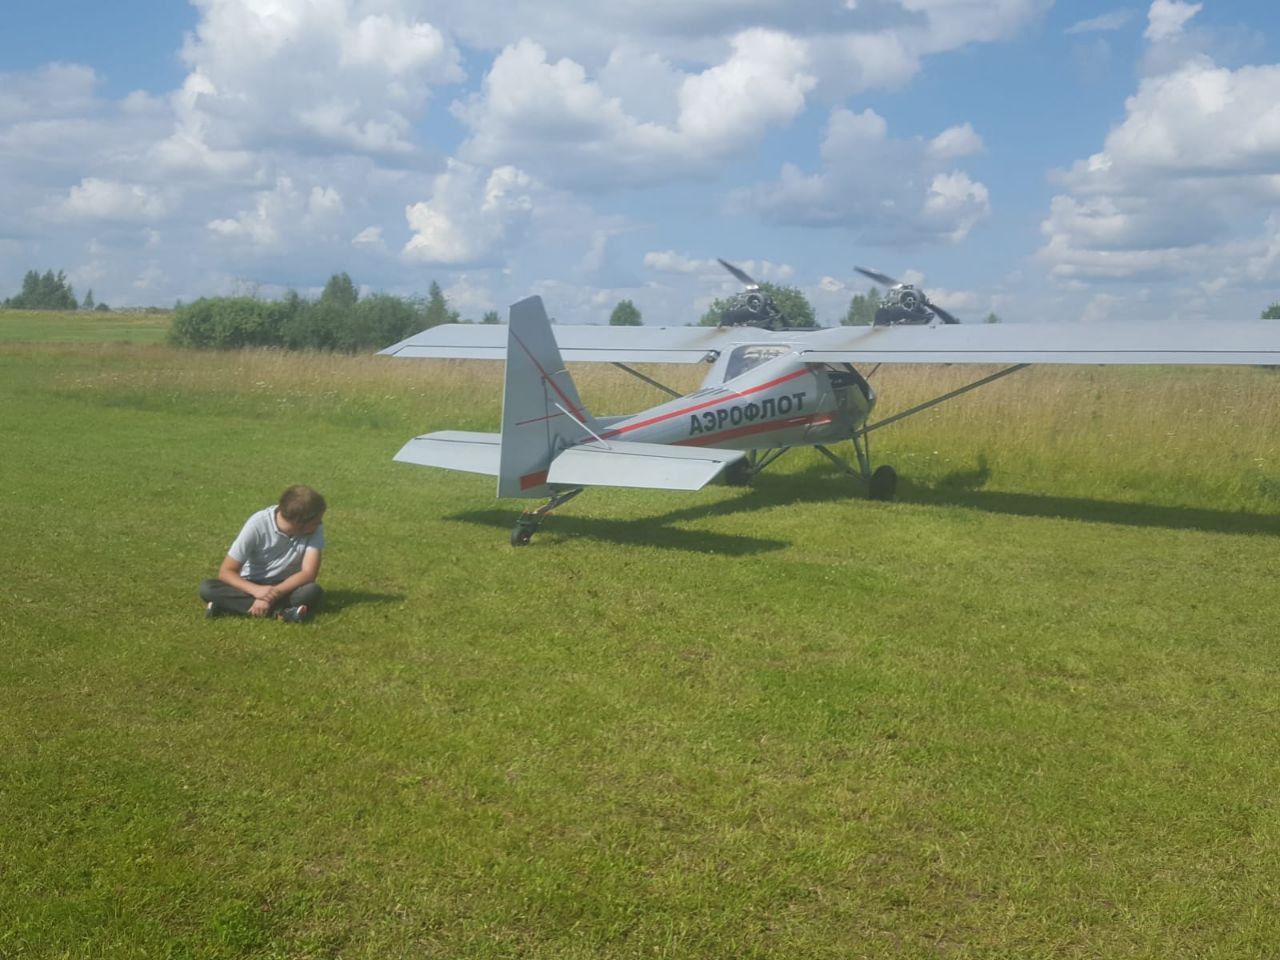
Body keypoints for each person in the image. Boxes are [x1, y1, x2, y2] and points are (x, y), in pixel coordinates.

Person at [200, 485, 326, 622]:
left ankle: (228, 606)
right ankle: (282, 613)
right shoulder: (257, 524)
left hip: (285, 586)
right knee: (208, 588)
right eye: (316, 521)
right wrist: (256, 591)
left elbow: (308, 573)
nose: (320, 523)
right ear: (300, 523)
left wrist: (273, 594)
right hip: (251, 583)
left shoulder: (314, 529)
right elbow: (226, 571)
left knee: (311, 591)